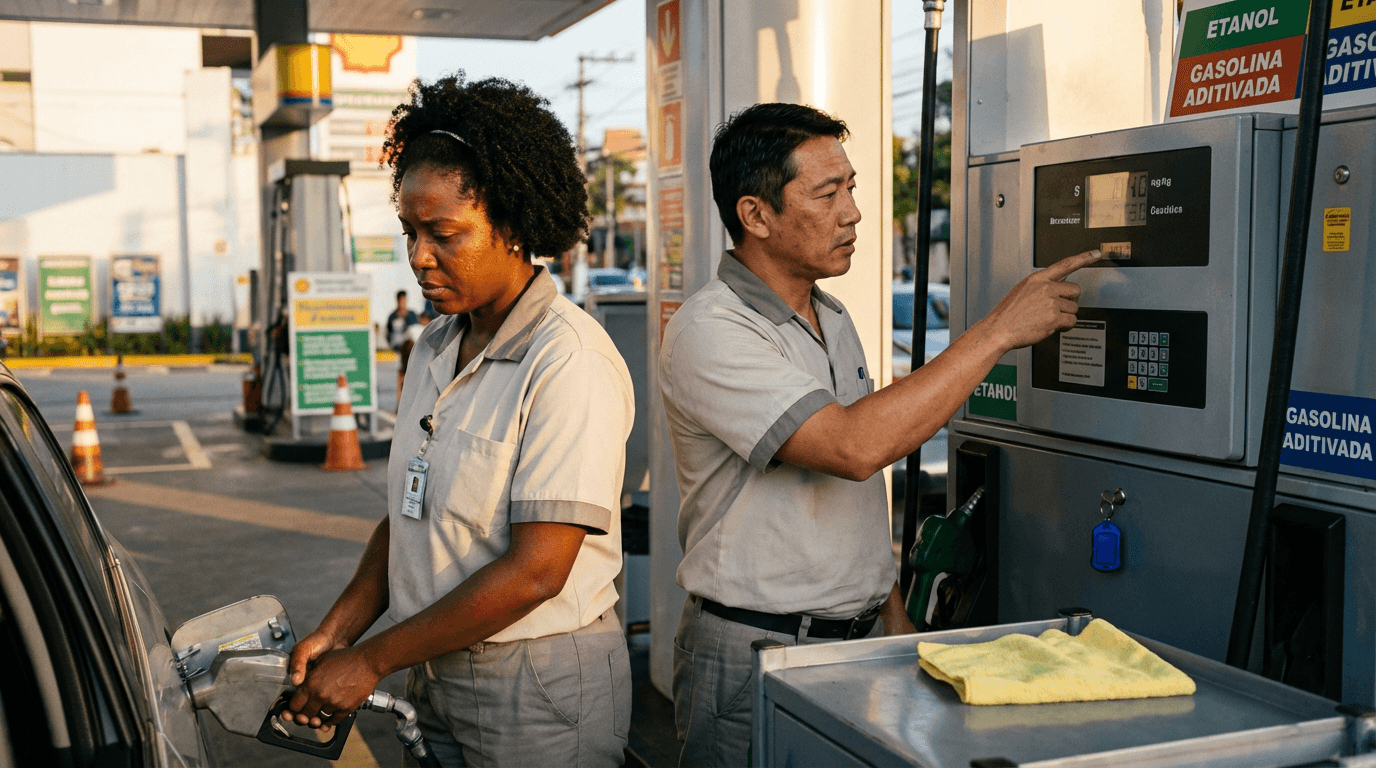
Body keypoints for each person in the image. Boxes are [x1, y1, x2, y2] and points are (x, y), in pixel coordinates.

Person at [658, 102, 1100, 768]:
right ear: (756, 215)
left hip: (858, 641)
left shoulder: (831, 317)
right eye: (827, 194)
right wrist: (1000, 330)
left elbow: (856, 492)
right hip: (757, 650)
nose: (854, 213)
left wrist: (891, 613)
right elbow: (852, 448)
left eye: (852, 188)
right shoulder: (712, 329)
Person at [283, 73, 635, 767]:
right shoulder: (436, 345)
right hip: (433, 661)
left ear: (514, 225)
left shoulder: (568, 360)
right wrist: (339, 632)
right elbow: (410, 517)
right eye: (410, 233)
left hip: (537, 685)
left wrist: (371, 660)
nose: (419, 257)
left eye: (443, 234)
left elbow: (537, 572)